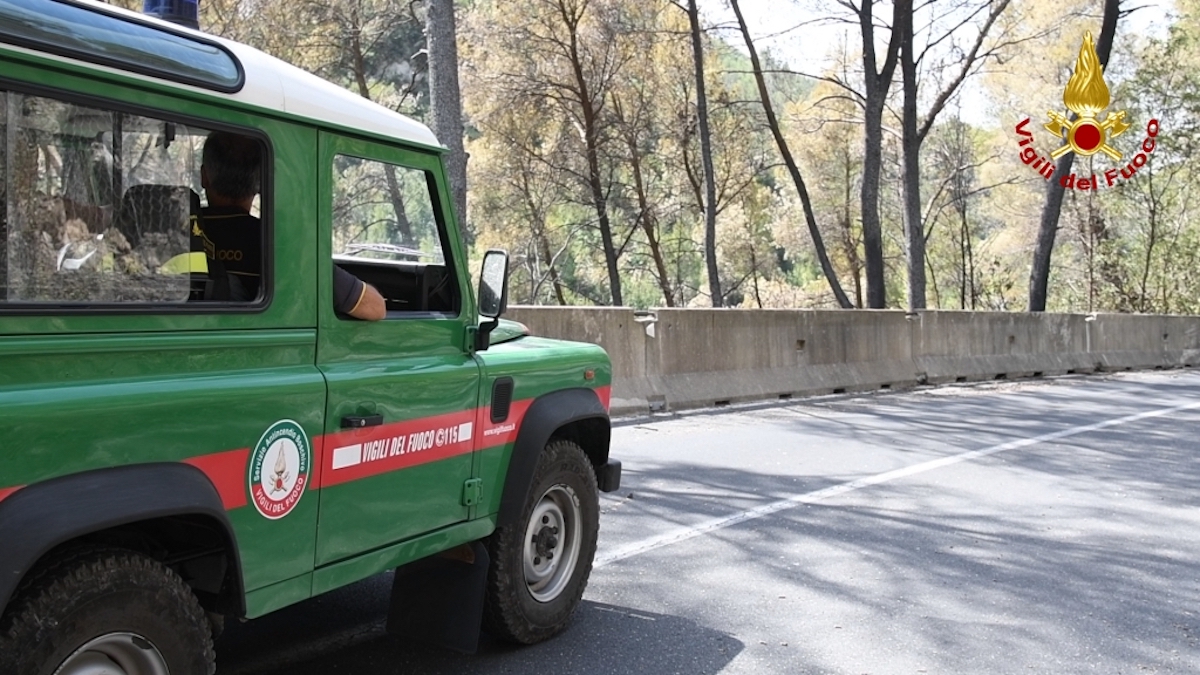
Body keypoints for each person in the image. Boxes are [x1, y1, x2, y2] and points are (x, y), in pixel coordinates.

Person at [200, 131, 385, 320]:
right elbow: (374, 308)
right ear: (259, 183)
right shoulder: (281, 244)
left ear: (203, 177)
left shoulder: (181, 237)